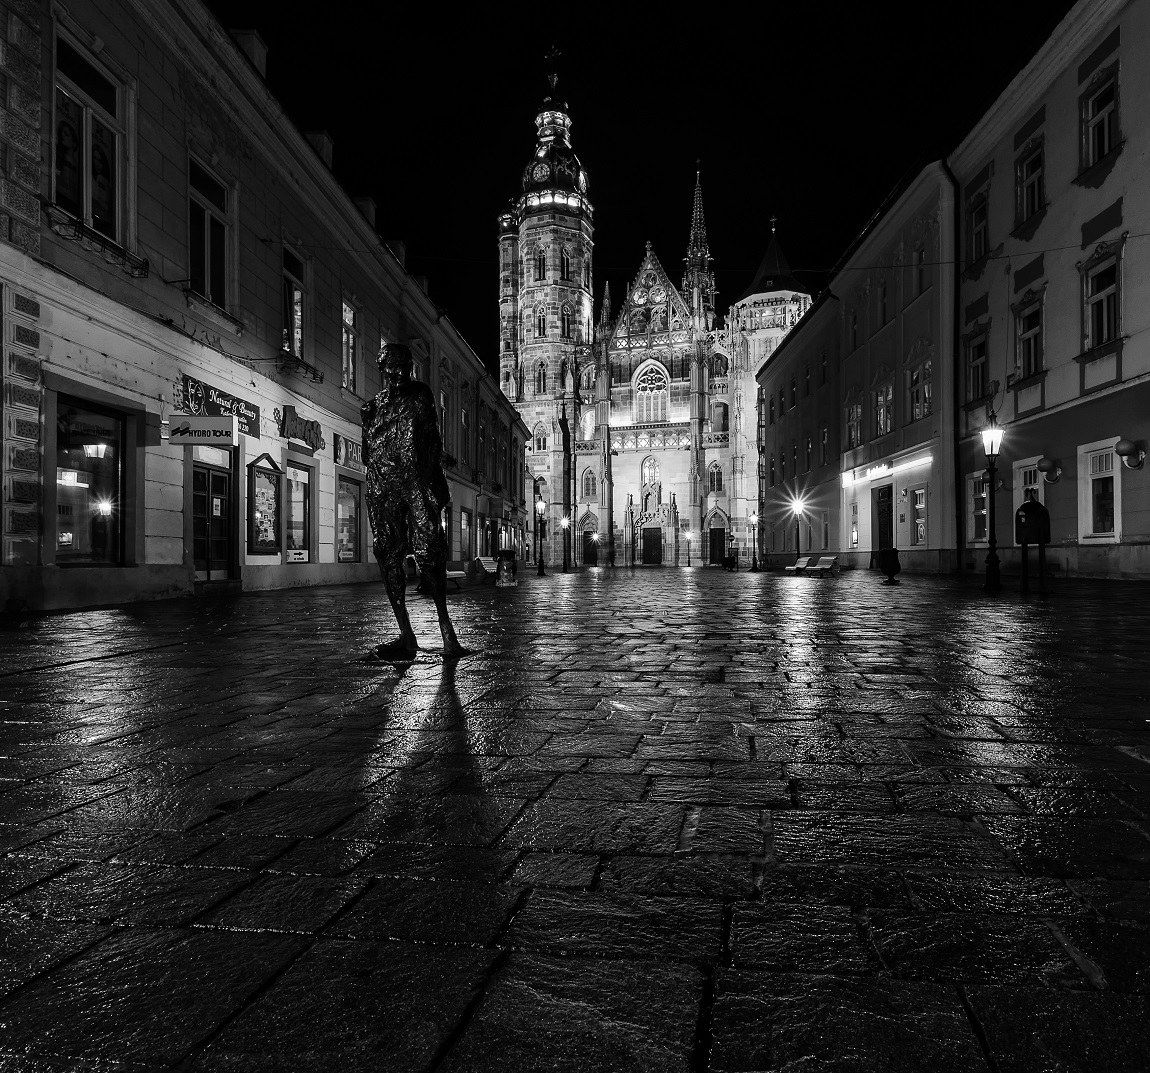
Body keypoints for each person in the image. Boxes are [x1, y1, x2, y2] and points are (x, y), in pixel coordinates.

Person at [362, 342, 464, 660]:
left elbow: (431, 440)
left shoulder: (420, 394)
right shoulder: (371, 407)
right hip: (382, 488)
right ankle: (406, 635)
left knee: (430, 552)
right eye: (394, 365)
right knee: (387, 555)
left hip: (415, 483)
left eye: (404, 365)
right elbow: (368, 453)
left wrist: (435, 483)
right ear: (385, 369)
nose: (400, 371)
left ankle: (447, 632)